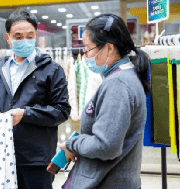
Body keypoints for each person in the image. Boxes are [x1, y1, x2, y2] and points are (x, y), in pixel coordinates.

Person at [59, 13, 150, 189]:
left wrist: (73, 144)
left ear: (109, 48)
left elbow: (106, 145)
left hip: (106, 182)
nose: (85, 56)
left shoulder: (118, 84)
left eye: (87, 48)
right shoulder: (121, 77)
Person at [0, 11, 71, 189]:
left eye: (29, 36)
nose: (24, 40)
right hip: (5, 156)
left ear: (36, 35)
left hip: (37, 158)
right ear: (8, 38)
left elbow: (62, 111)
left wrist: (25, 114)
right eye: (18, 36)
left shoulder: (51, 70)